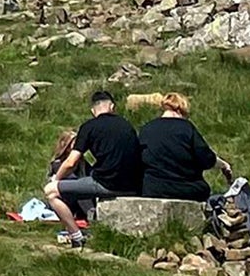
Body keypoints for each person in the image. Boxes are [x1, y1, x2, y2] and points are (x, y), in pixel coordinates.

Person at [42, 90, 142, 246]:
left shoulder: (89, 127)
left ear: (93, 110)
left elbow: (70, 162)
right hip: (133, 185)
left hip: (107, 184)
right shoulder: (127, 126)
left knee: (51, 192)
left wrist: (56, 179)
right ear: (112, 107)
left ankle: (76, 236)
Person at [138, 92, 234, 201]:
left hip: (152, 188)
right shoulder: (186, 128)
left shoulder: (146, 129)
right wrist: (224, 165)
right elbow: (206, 158)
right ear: (180, 110)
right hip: (184, 189)